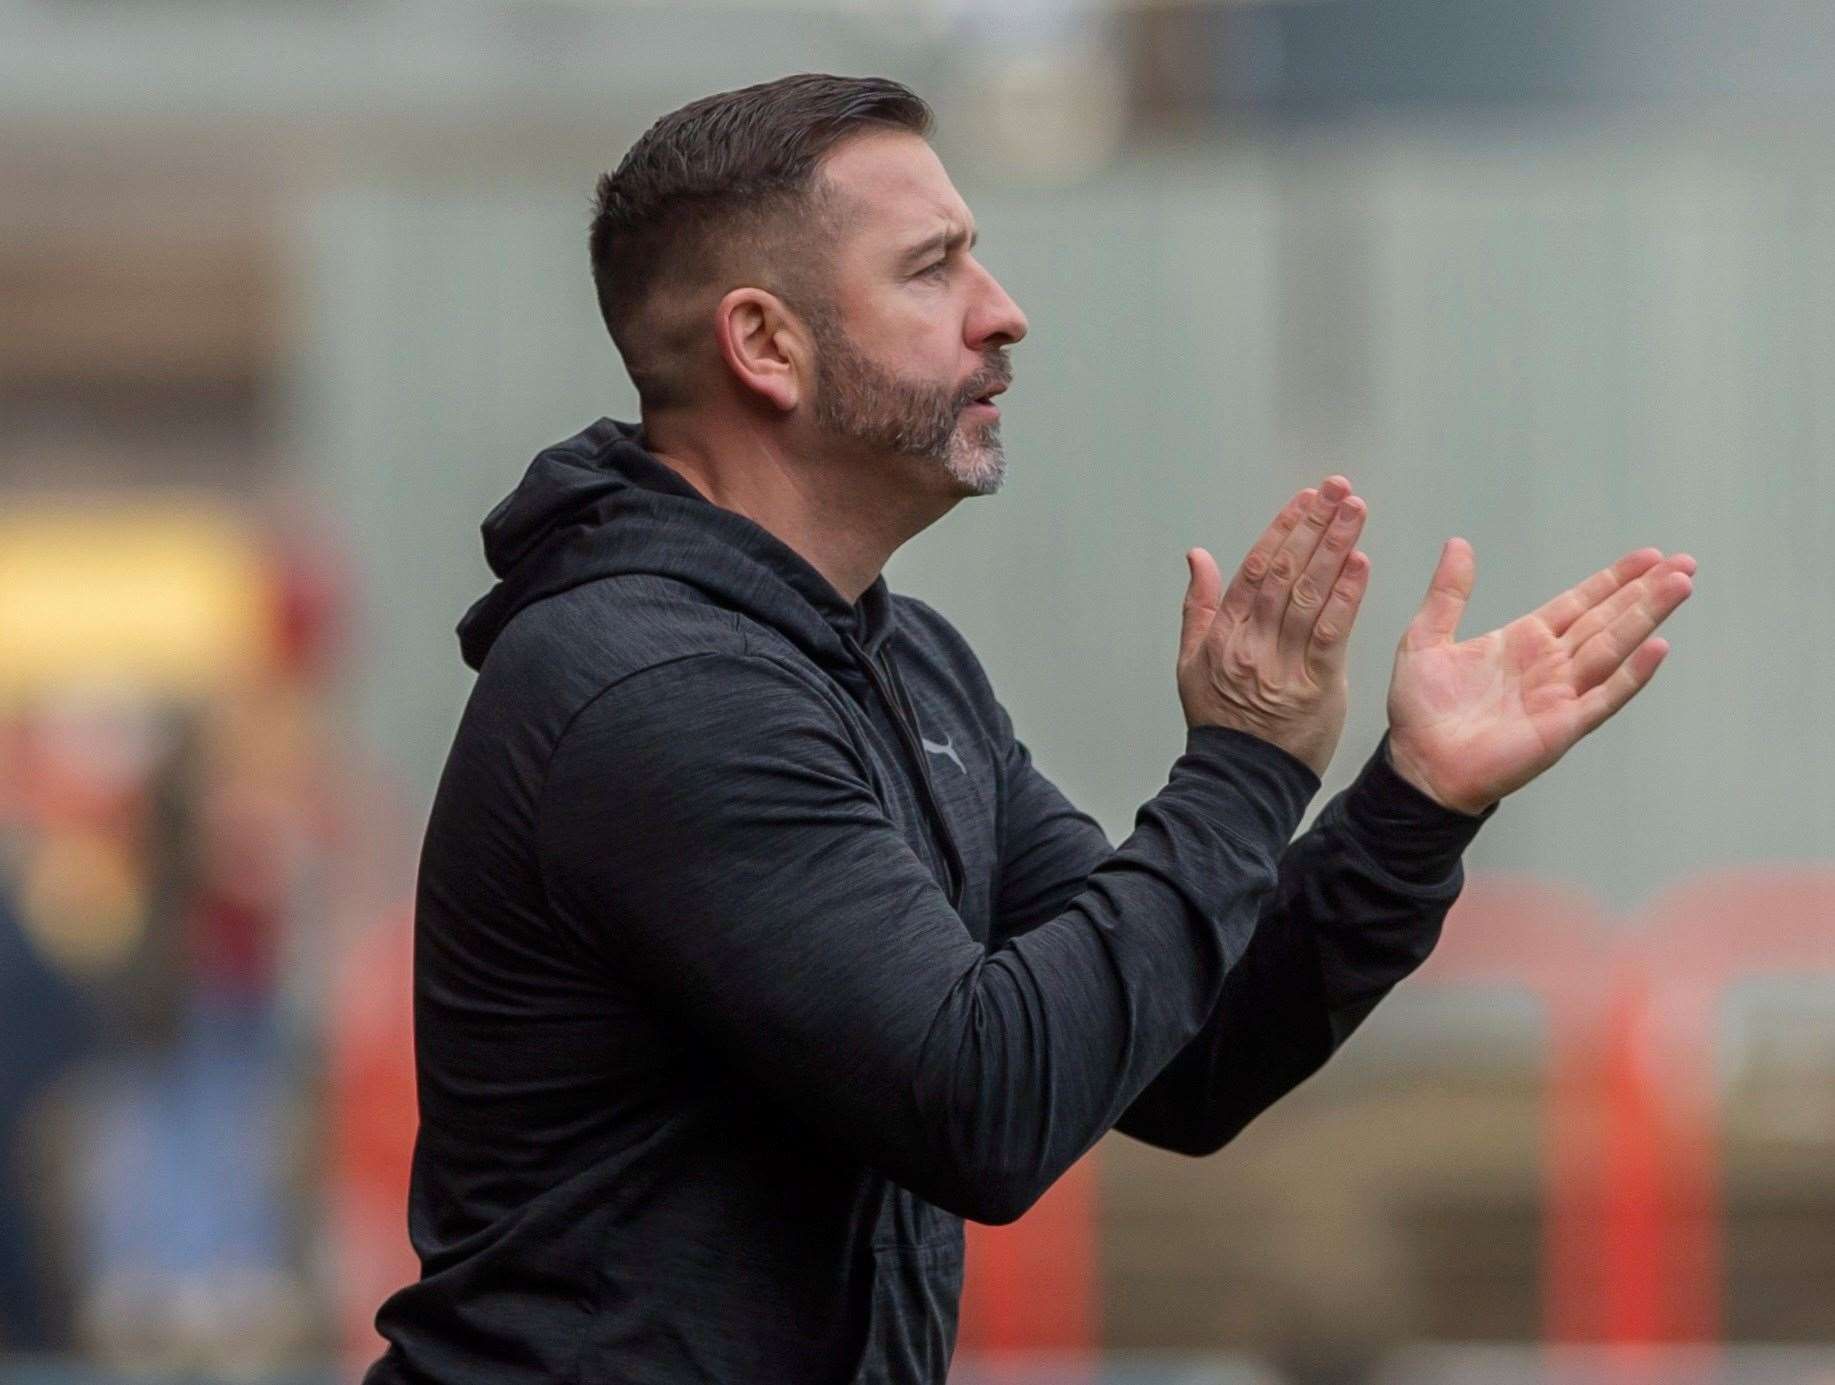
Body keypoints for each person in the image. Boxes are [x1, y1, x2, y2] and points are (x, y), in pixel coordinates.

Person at [364, 73, 1695, 1384]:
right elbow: (982, 1104)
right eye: (934, 269)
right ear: (764, 343)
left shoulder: (900, 663)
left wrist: (1413, 801)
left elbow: (1189, 1057)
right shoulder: (658, 690)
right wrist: (1239, 764)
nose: (1005, 315)